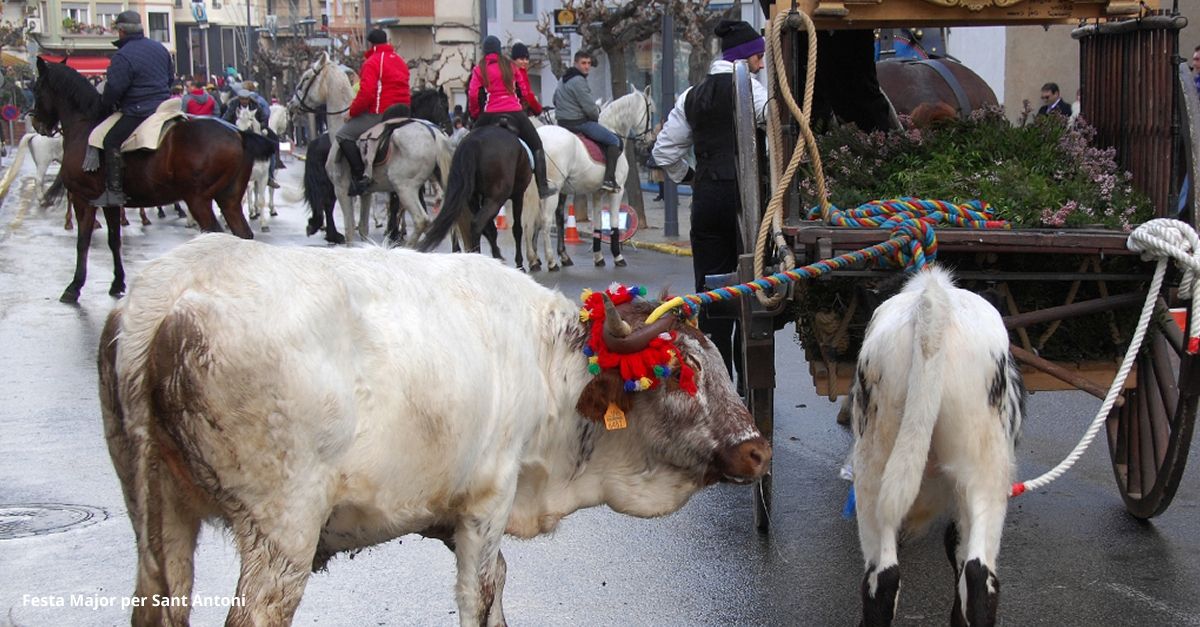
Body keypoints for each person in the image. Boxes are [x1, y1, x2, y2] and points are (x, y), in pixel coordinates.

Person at [651, 19, 768, 391]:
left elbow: (664, 151)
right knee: (751, 293)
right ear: (745, 58)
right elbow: (770, 121)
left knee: (712, 295)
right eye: (758, 57)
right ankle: (749, 380)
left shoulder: (691, 96)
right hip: (746, 206)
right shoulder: (751, 88)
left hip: (707, 202)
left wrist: (690, 177)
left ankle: (719, 386)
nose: (761, 64)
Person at [96, 10, 172, 207]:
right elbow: (170, 78)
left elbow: (114, 89)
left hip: (139, 109)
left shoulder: (123, 55)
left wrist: (106, 103)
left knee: (110, 140)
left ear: (121, 31)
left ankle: (114, 191)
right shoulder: (160, 48)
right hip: (164, 106)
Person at [467, 35, 555, 199]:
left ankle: (467, 185)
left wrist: (475, 114)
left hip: (489, 113)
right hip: (514, 111)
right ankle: (543, 186)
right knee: (536, 143)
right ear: (499, 49)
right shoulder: (510, 66)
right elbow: (522, 90)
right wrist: (520, 105)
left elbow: (473, 95)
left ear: (484, 51)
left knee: (467, 145)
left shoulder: (479, 69)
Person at [338, 28, 410, 196]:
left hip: (381, 113)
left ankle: (360, 178)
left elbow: (366, 94)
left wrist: (352, 113)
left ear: (370, 44)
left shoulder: (372, 62)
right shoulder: (400, 60)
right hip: (404, 112)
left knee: (343, 135)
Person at [553, 51, 621, 192]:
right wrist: (596, 115)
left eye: (589, 63)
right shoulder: (579, 80)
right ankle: (609, 180)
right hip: (579, 123)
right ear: (575, 63)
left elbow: (555, 99)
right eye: (583, 63)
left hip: (562, 123)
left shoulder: (563, 79)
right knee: (614, 140)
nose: (587, 67)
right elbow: (590, 108)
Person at [509, 42, 543, 117]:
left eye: (527, 59)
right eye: (521, 59)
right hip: (519, 110)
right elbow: (527, 95)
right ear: (514, 59)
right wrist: (538, 110)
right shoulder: (519, 74)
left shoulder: (508, 70)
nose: (525, 61)